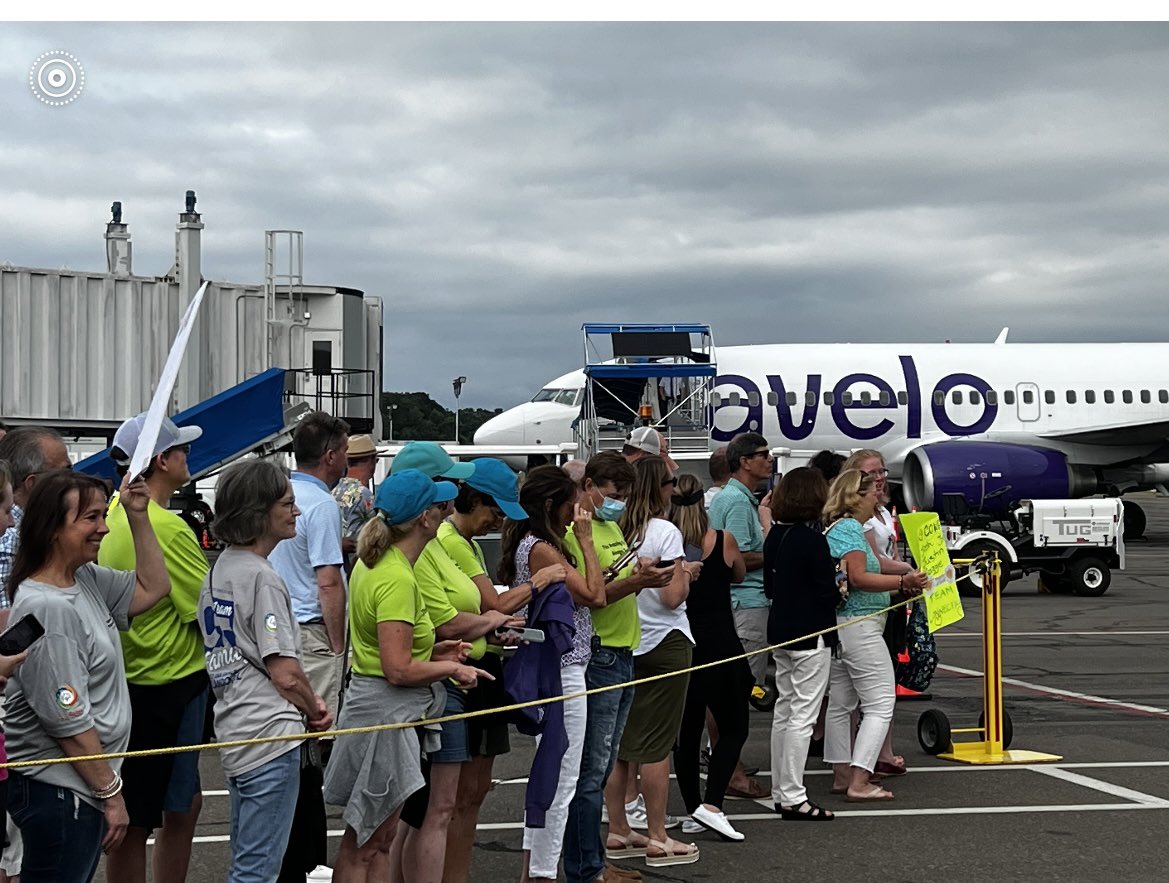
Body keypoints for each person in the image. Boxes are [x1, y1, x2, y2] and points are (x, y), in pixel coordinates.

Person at [3, 470, 171, 882]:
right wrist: (111, 794)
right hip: (61, 790)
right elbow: (66, 718)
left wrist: (139, 515)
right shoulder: (49, 606)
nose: (103, 528)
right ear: (53, 529)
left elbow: (154, 587)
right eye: (91, 518)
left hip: (75, 788)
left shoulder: (85, 579)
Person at [323, 469, 489, 883]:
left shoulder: (377, 563)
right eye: (439, 504)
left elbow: (386, 652)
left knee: (379, 838)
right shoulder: (396, 575)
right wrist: (452, 667)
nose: (447, 509)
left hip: (381, 709)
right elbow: (397, 669)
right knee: (365, 842)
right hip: (385, 716)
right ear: (425, 519)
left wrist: (437, 651)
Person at [385, 444, 518, 883]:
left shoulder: (435, 545)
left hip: (451, 672)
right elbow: (435, 628)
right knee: (429, 809)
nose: (454, 492)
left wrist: (481, 627)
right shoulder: (414, 554)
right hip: (439, 683)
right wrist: (479, 629)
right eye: (446, 485)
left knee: (427, 808)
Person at [198, 459, 333, 883]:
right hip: (270, 735)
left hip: (236, 730)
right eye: (287, 504)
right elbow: (285, 672)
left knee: (248, 861)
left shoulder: (220, 569)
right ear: (259, 512)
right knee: (259, 870)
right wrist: (315, 709)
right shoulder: (263, 578)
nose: (295, 512)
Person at [100, 414, 210, 883]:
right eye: (181, 449)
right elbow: (208, 611)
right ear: (162, 460)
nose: (189, 455)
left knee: (142, 813)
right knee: (164, 812)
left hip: (119, 684)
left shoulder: (105, 513)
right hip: (170, 686)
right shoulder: (167, 528)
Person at [562, 452, 673, 883]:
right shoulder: (576, 532)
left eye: (624, 495)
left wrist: (638, 571)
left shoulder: (607, 526)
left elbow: (612, 576)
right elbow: (593, 593)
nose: (619, 502)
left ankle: (595, 862)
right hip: (601, 650)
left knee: (604, 766)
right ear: (589, 486)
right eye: (612, 494)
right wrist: (636, 582)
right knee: (590, 770)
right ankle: (587, 868)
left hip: (625, 648)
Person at [497, 465, 602, 883]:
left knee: (552, 773)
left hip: (560, 667)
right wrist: (587, 544)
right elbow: (594, 594)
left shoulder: (534, 543)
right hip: (561, 669)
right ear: (550, 506)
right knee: (561, 777)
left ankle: (535, 870)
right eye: (569, 501)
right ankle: (542, 873)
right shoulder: (542, 547)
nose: (576, 509)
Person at [438, 458, 537, 883]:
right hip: (466, 669)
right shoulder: (452, 540)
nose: (495, 521)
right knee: (460, 796)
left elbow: (483, 610)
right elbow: (491, 606)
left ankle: (456, 872)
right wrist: (540, 581)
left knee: (474, 792)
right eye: (493, 512)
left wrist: (494, 628)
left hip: (482, 661)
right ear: (473, 499)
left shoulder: (468, 541)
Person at [605, 458, 701, 864]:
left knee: (622, 743)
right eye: (669, 483)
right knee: (658, 744)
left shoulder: (613, 530)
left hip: (626, 638)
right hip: (666, 639)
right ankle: (659, 834)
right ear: (659, 488)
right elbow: (671, 597)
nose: (673, 489)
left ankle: (618, 829)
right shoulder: (665, 531)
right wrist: (687, 574)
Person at [268, 411, 349, 882]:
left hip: (275, 628)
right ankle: (304, 859)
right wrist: (338, 646)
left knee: (286, 747)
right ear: (332, 455)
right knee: (311, 749)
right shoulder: (320, 504)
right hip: (310, 631)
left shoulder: (279, 494)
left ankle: (287, 853)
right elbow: (328, 581)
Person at [823, 470, 929, 801]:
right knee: (881, 702)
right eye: (873, 495)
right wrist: (903, 584)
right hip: (861, 624)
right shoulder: (852, 530)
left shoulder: (836, 529)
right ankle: (860, 779)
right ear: (857, 497)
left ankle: (842, 773)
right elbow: (859, 577)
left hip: (843, 625)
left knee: (841, 702)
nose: (877, 501)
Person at [669, 473, 751, 842]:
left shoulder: (667, 546)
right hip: (720, 642)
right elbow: (739, 573)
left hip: (683, 643)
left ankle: (691, 806)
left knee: (686, 734)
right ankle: (713, 802)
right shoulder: (721, 540)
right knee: (734, 726)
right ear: (704, 503)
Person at [763, 468, 838, 821]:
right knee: (803, 716)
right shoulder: (813, 541)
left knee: (785, 709)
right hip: (811, 632)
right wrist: (839, 588)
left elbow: (769, 587)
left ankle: (782, 788)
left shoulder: (775, 537)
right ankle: (793, 793)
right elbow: (826, 593)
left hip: (781, 630)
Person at [706, 432, 772, 800]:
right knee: (735, 691)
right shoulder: (736, 502)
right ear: (745, 461)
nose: (770, 459)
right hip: (744, 602)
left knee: (730, 690)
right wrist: (775, 552)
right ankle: (730, 771)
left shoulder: (736, 498)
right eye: (763, 455)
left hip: (739, 602)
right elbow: (735, 558)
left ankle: (728, 764)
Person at [843, 449, 915, 777]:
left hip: (889, 599)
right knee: (874, 691)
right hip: (870, 602)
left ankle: (877, 752)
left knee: (883, 681)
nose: (880, 478)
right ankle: (863, 763)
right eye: (872, 473)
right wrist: (909, 573)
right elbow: (873, 562)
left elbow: (890, 551)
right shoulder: (860, 519)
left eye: (882, 471)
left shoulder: (883, 511)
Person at [0, 427, 73, 627]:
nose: (73, 482)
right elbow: (10, 628)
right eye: (66, 472)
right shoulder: (12, 540)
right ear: (33, 483)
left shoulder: (32, 531)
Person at [334, 433, 385, 568]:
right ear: (371, 460)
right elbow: (377, 532)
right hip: (357, 563)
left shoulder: (334, 490)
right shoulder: (364, 495)